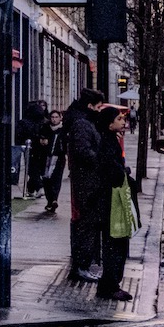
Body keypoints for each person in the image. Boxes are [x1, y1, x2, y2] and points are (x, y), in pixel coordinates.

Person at [64, 88, 108, 281]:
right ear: (90, 106)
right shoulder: (82, 124)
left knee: (87, 224)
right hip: (86, 182)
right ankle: (81, 266)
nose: (100, 110)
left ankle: (82, 265)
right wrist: (101, 159)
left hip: (88, 181)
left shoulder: (85, 122)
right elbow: (83, 152)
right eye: (98, 107)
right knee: (86, 224)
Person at [93, 104, 135, 302]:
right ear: (109, 124)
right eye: (119, 119)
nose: (123, 121)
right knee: (114, 244)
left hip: (109, 201)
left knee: (115, 243)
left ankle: (109, 284)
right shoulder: (107, 144)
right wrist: (125, 173)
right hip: (111, 202)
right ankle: (110, 285)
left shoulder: (110, 140)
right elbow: (113, 172)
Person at [18, 100, 50, 199]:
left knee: (32, 168)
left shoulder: (24, 122)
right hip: (40, 147)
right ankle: (33, 188)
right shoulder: (43, 121)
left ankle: (33, 188)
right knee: (36, 168)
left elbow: (20, 135)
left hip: (30, 147)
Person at [39, 107, 67, 215]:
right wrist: (42, 141)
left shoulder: (63, 130)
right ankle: (49, 200)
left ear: (60, 118)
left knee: (56, 178)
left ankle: (54, 199)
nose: (54, 119)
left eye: (56, 117)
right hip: (46, 157)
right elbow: (40, 139)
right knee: (46, 179)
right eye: (52, 117)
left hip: (59, 158)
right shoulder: (45, 128)